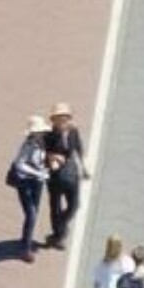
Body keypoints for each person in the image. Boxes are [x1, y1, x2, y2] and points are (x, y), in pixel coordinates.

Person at [41, 102, 90, 249]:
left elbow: (78, 149)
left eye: (65, 118)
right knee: (55, 207)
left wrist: (83, 167)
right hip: (55, 177)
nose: (62, 121)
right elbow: (42, 154)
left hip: (71, 174)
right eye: (58, 118)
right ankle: (58, 236)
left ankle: (60, 225)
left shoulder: (73, 131)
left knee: (74, 205)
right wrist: (53, 157)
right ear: (53, 121)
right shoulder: (48, 135)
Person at [7, 116, 52, 262]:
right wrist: (38, 173)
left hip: (38, 182)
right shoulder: (27, 146)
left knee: (34, 212)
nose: (40, 134)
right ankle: (25, 249)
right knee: (31, 214)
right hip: (25, 182)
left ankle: (26, 238)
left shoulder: (43, 143)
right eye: (38, 132)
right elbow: (19, 164)